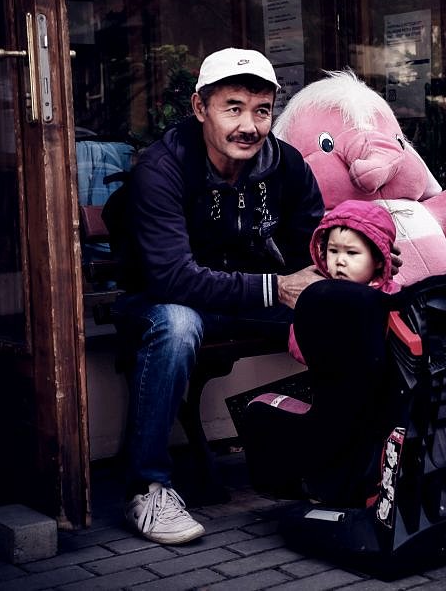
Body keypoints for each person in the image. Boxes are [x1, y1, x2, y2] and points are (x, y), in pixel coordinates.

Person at [112, 48, 327, 544]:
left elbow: (314, 240)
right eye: (233, 108)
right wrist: (278, 287)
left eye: (261, 110)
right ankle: (147, 488)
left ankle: (346, 462)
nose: (249, 126)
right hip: (160, 303)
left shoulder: (285, 164)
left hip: (249, 299)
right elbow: (172, 278)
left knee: (345, 312)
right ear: (199, 107)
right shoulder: (162, 169)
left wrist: (356, 256)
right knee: (177, 323)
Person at [286, 199, 399, 363]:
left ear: (379, 259)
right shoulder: (319, 295)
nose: (340, 261)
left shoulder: (393, 297)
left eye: (351, 253)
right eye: (333, 251)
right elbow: (298, 346)